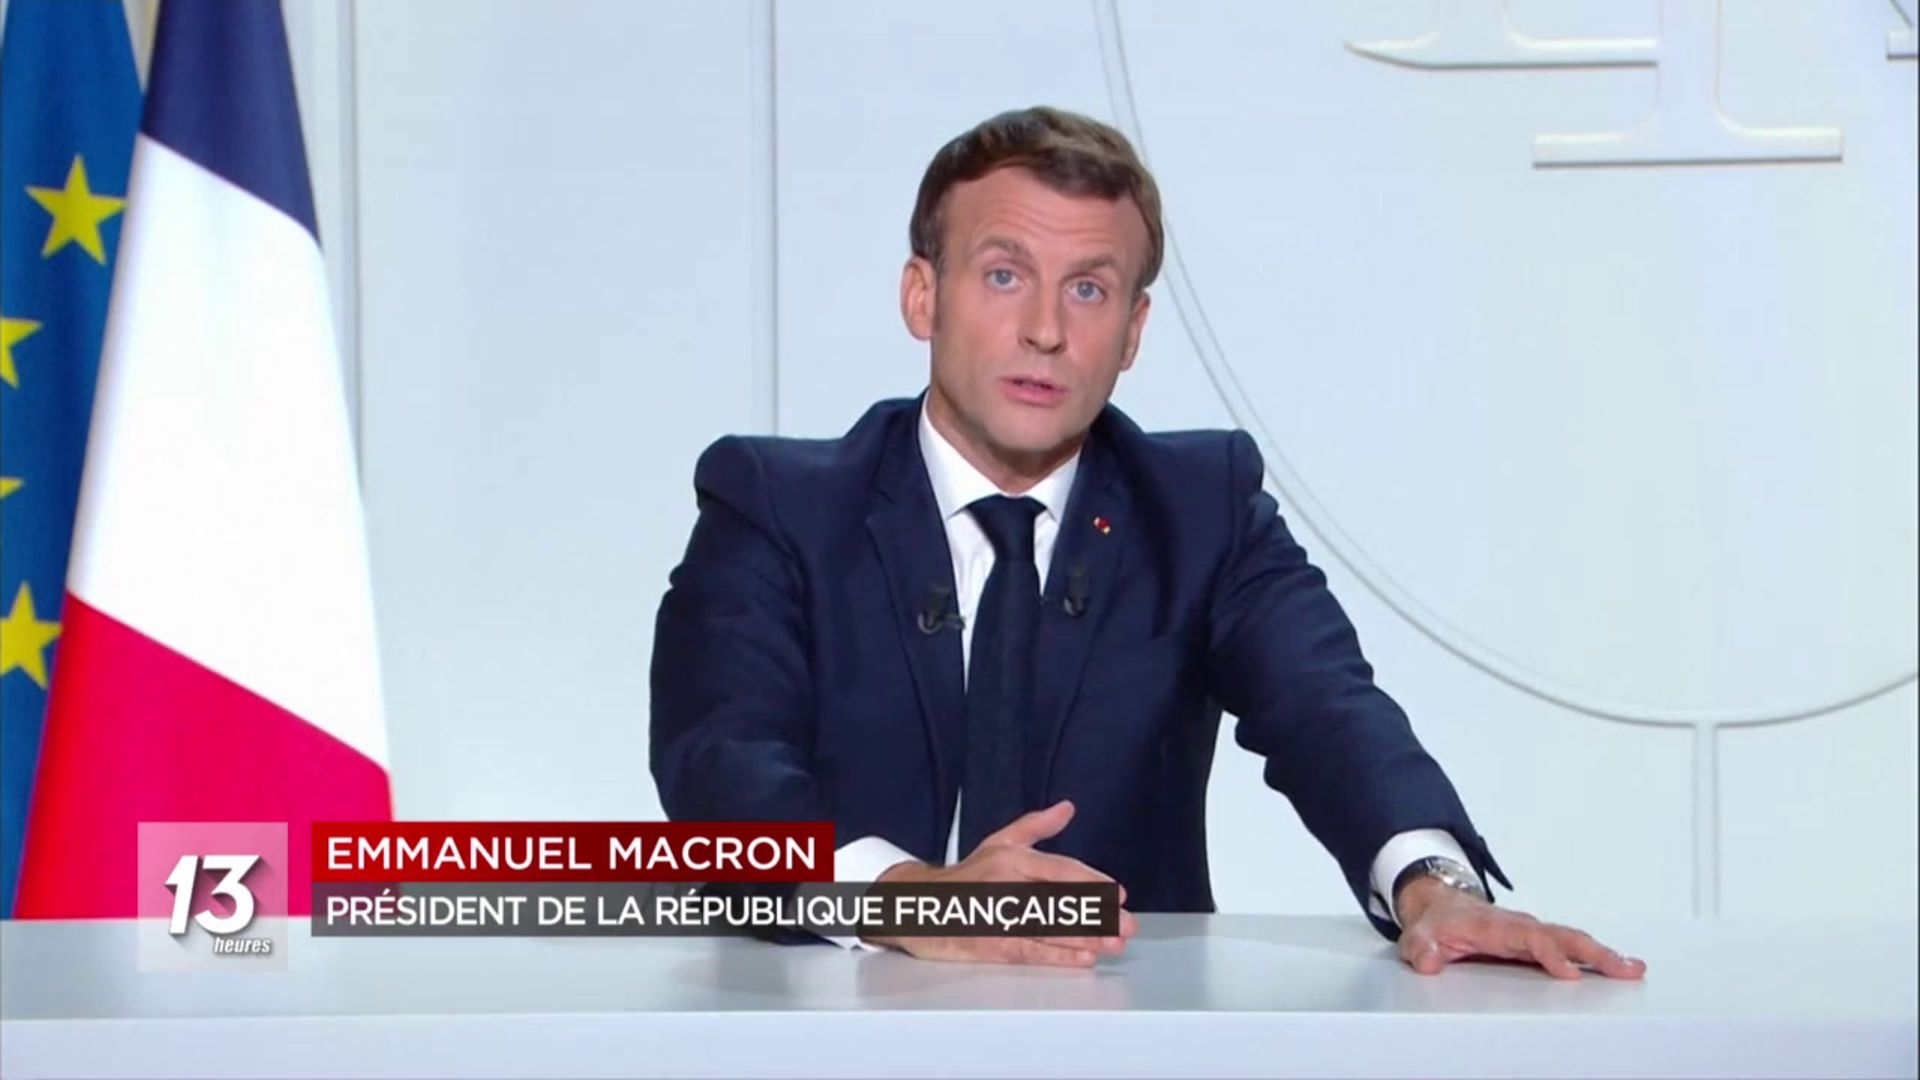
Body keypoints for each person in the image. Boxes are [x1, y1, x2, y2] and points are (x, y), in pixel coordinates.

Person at [650, 105, 1644, 979]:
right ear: (924, 296)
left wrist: (1435, 889)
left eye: (1088, 290)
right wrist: (914, 902)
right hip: (828, 1030)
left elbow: (1326, 709)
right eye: (1004, 275)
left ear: (1132, 332)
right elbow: (720, 767)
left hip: (1128, 1024)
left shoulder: (1200, 508)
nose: (1045, 329)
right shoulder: (777, 505)